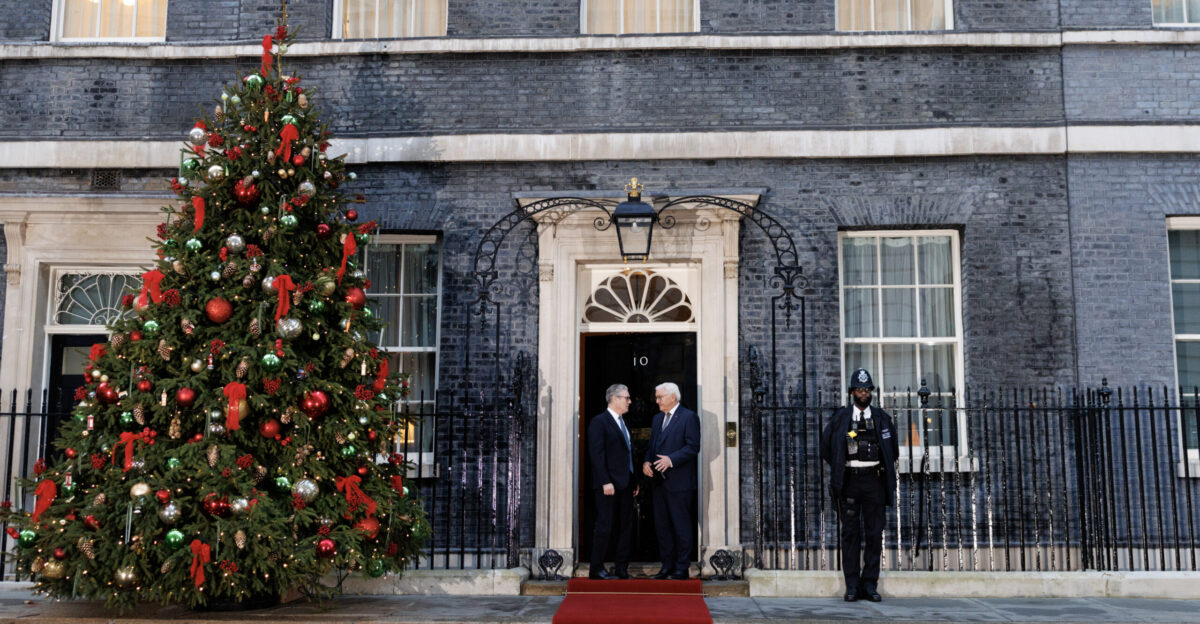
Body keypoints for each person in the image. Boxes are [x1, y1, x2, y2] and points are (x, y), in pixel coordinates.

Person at [819, 368, 898, 603]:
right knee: (850, 535)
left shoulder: (881, 418)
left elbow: (892, 449)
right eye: (859, 389)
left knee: (874, 534)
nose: (864, 393)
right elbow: (826, 448)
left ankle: (870, 585)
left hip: (874, 481)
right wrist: (842, 466)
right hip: (850, 481)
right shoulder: (841, 418)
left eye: (867, 389)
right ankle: (852, 586)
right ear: (851, 392)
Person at [641, 382, 700, 580]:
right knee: (662, 527)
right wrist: (646, 461)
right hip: (659, 483)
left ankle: (681, 568)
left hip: (680, 483)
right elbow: (652, 445)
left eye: (660, 397)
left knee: (681, 526)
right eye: (657, 397)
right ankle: (666, 567)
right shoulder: (657, 418)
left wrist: (671, 460)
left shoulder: (689, 417)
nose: (656, 401)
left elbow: (693, 447)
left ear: (673, 397)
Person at [587, 383, 637, 580]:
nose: (629, 401)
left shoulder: (624, 422)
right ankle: (596, 568)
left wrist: (634, 481)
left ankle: (621, 568)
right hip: (608, 485)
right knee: (604, 525)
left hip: (626, 483)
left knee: (625, 527)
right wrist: (605, 481)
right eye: (626, 398)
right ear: (614, 399)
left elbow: (628, 454)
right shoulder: (599, 422)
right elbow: (597, 455)